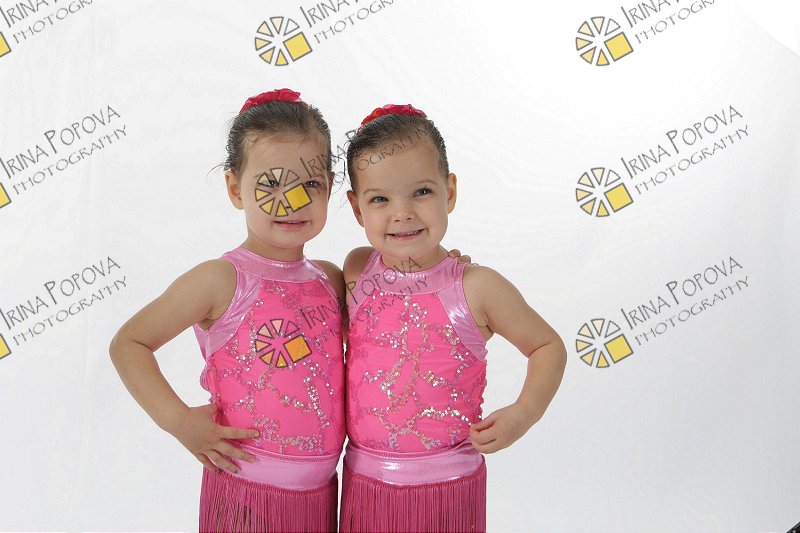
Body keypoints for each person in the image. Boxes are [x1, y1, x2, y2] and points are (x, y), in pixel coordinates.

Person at [109, 88, 346, 532]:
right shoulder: (222, 279)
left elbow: (391, 320)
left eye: (310, 184)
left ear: (330, 188)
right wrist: (179, 421)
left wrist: (443, 266)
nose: (291, 200)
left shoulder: (331, 280)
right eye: (270, 184)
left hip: (321, 493)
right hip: (244, 492)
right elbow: (129, 343)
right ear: (236, 188)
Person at [340, 103, 568, 532]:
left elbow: (547, 345)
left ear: (450, 191)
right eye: (380, 199)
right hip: (365, 481)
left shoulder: (477, 287)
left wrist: (525, 411)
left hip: (449, 486)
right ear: (357, 209)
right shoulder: (356, 270)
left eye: (421, 192)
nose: (402, 213)